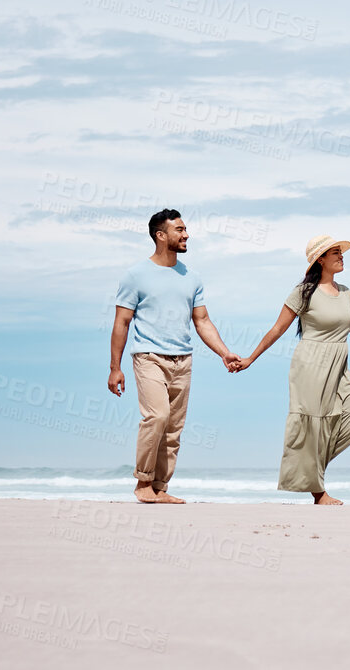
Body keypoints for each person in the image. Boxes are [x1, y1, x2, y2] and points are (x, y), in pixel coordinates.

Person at [235, 236, 350, 504]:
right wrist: (250, 359)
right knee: (312, 426)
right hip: (310, 363)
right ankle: (318, 492)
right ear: (320, 260)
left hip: (339, 364)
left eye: (340, 252)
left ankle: (307, 472)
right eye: (335, 252)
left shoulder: (346, 292)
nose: (341, 256)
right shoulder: (303, 292)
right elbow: (278, 329)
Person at [108, 208, 239, 504]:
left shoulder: (191, 277)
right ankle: (142, 482)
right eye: (179, 229)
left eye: (185, 229)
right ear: (161, 235)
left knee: (173, 429)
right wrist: (115, 367)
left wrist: (223, 352)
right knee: (157, 416)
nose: (186, 234)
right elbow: (122, 322)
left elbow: (202, 320)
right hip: (149, 356)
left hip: (183, 359)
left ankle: (160, 488)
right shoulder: (135, 276)